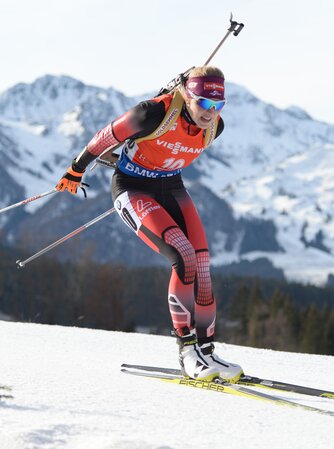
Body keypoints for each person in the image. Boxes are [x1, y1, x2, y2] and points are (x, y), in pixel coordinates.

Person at [56, 66, 243, 382]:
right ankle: (187, 352)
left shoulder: (215, 127)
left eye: (218, 105)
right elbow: (106, 136)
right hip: (132, 188)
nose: (211, 113)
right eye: (204, 104)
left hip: (171, 187)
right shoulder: (152, 113)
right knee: (182, 258)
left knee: (202, 264)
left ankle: (207, 352)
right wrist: (77, 170)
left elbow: (165, 150)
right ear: (186, 95)